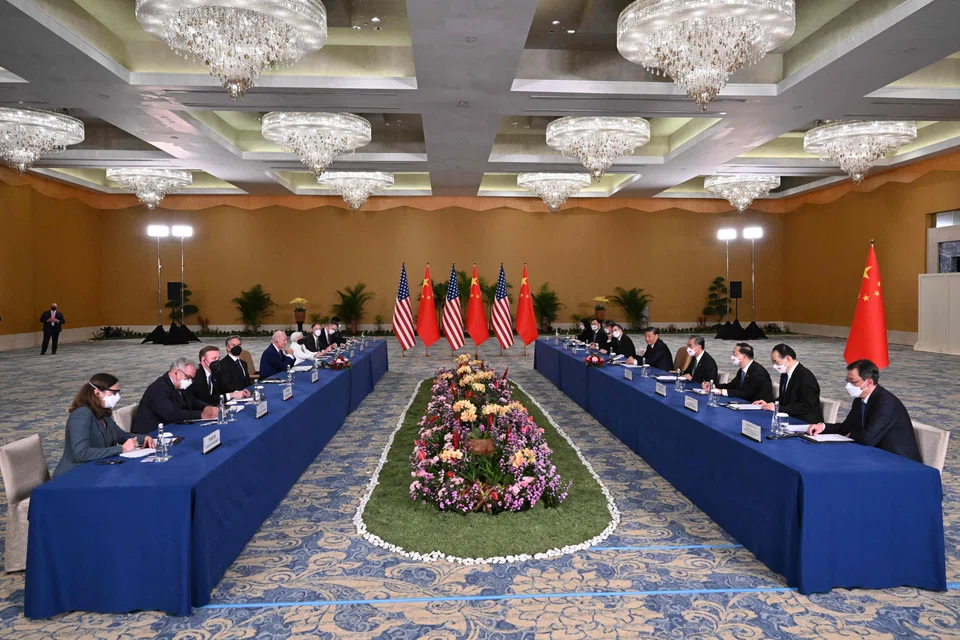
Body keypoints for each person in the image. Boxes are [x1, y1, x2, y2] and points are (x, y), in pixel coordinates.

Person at [806, 360, 922, 462]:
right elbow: (847, 427)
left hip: (898, 460)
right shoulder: (859, 399)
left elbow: (869, 438)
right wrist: (823, 427)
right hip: (875, 453)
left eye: (853, 381)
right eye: (847, 380)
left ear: (869, 382)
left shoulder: (886, 403)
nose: (848, 385)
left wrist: (852, 434)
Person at [53, 373, 155, 476]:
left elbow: (121, 435)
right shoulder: (81, 415)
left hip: (97, 468)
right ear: (97, 392)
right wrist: (121, 449)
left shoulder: (102, 412)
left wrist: (144, 438)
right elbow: (81, 453)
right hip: (75, 474)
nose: (117, 396)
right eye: (114, 392)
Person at [132, 358, 218, 434]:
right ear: (176, 372)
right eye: (188, 377)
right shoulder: (158, 388)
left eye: (192, 379)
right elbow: (171, 413)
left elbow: (192, 401)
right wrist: (201, 415)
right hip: (151, 433)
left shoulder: (179, 385)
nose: (190, 381)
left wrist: (206, 407)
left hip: (171, 427)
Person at [753, 344, 823, 423]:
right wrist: (770, 404)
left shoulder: (805, 377)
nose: (774, 366)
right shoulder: (785, 374)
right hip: (789, 417)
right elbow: (785, 398)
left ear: (788, 358)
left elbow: (806, 406)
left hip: (804, 421)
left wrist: (778, 408)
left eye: (776, 362)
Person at [708, 342, 774, 402]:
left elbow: (746, 394)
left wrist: (722, 392)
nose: (732, 357)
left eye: (735, 354)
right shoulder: (742, 370)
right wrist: (712, 386)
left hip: (758, 406)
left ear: (744, 356)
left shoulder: (758, 372)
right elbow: (732, 385)